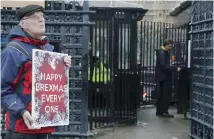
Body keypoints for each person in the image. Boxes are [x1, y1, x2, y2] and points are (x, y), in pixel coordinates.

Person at [1, 5, 71, 139]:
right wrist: (21, 111)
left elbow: (50, 82)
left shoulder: (47, 48)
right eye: (35, 18)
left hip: (44, 125)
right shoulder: (13, 51)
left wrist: (63, 65)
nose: (41, 20)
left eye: (42, 17)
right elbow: (3, 88)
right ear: (23, 24)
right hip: (22, 128)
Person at [155, 39, 180, 118]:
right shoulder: (162, 53)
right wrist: (174, 68)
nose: (170, 47)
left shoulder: (163, 52)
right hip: (164, 77)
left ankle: (160, 111)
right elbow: (164, 65)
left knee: (162, 95)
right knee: (165, 95)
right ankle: (163, 112)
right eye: (169, 46)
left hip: (163, 77)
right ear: (166, 45)